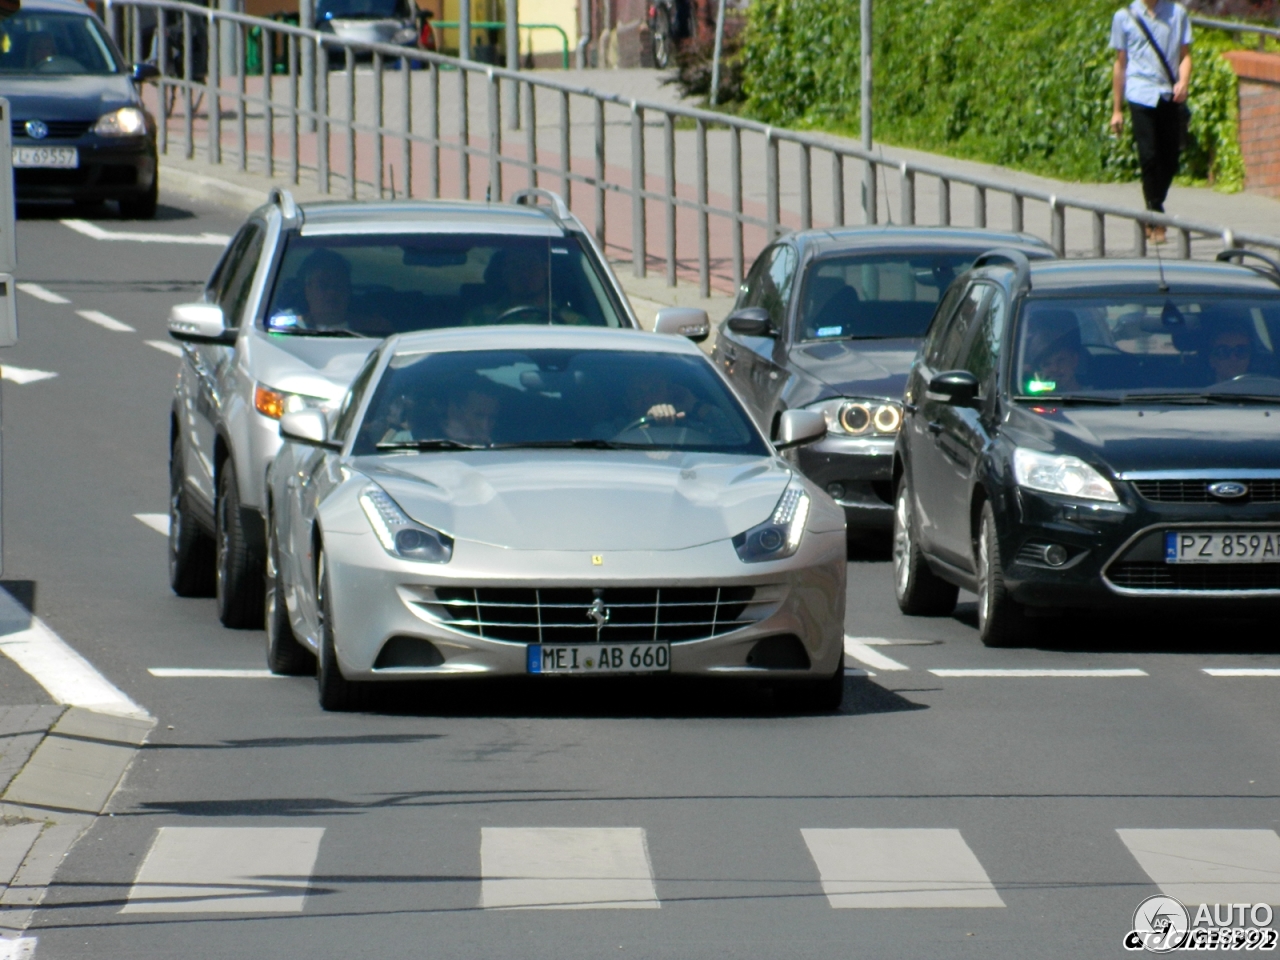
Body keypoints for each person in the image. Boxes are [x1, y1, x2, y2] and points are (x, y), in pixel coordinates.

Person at [1110, 0, 1193, 245]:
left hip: (1168, 93)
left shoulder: (1177, 14)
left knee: (1170, 158)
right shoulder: (1124, 17)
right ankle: (1155, 216)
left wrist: (1184, 82)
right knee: (1149, 156)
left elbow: (1185, 56)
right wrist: (1117, 110)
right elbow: (1120, 63)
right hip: (1140, 93)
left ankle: (1153, 208)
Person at [466, 246, 585, 326]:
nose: (524, 273)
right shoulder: (480, 319)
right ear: (504, 273)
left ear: (546, 270)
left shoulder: (572, 323)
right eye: (515, 266)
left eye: (531, 265)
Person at [292, 249, 391, 335]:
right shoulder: (289, 330)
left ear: (348, 291)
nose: (332, 292)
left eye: (339, 285)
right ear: (307, 291)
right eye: (323, 285)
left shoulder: (375, 329)